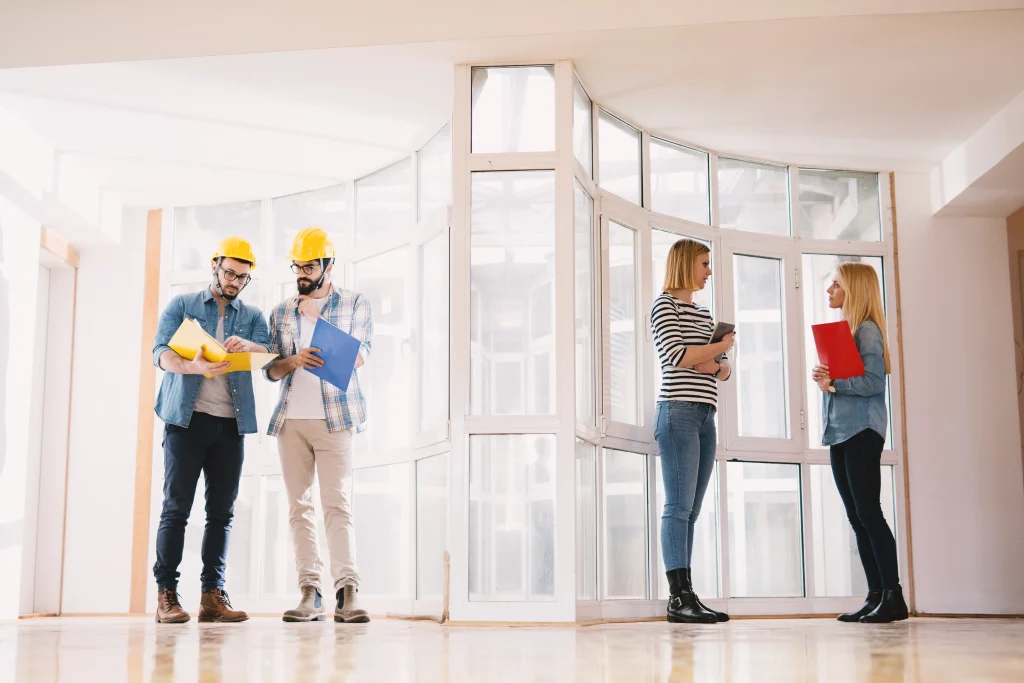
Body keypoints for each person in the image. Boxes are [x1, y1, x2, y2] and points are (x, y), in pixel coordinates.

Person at [151, 236, 270, 624]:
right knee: (176, 510)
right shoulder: (182, 306)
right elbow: (161, 353)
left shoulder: (252, 316)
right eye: (230, 273)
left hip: (230, 426)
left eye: (242, 277)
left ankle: (211, 595)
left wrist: (250, 346)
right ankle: (167, 594)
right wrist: (192, 367)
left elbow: (269, 360)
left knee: (222, 513)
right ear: (215, 266)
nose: (235, 281)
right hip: (185, 422)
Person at [265, 227, 373, 624]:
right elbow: (271, 371)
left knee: (336, 504)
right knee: (299, 508)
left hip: (336, 418)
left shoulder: (355, 303)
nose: (302, 273)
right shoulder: (280, 312)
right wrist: (291, 361)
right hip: (291, 420)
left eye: (309, 265)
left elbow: (357, 359)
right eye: (298, 265)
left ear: (329, 265)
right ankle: (310, 593)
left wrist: (317, 317)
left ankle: (347, 591)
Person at [813, 262, 908, 623]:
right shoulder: (850, 333)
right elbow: (850, 380)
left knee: (869, 513)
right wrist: (827, 378)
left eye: (835, 285)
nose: (829, 291)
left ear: (853, 290)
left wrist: (834, 384)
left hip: (861, 431)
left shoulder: (867, 331)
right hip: (842, 431)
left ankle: (893, 596)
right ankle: (875, 595)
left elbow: (873, 383)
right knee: (858, 517)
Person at [651, 238, 735, 624]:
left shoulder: (702, 314)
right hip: (678, 412)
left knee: (693, 510)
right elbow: (676, 356)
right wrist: (713, 353)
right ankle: (678, 597)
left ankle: (687, 597)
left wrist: (714, 360)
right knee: (678, 507)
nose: (709, 271)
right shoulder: (663, 305)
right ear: (686, 264)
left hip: (705, 415)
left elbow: (723, 368)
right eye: (704, 263)